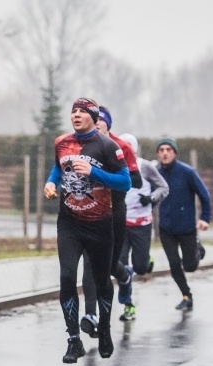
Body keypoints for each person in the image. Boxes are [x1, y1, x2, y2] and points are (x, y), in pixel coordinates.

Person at [43, 97, 130, 363]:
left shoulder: (108, 146)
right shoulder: (62, 143)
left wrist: (94, 173)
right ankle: (73, 340)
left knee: (102, 282)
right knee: (67, 278)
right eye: (73, 111)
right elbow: (58, 169)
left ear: (93, 116)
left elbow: (125, 182)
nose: (76, 115)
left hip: (100, 224)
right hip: (69, 223)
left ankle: (104, 329)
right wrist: (50, 183)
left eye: (82, 111)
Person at [78, 106, 142, 335]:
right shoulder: (78, 146)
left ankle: (124, 275)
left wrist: (101, 175)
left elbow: (135, 180)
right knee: (89, 261)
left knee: (107, 265)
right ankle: (90, 315)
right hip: (87, 210)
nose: (94, 127)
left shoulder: (121, 147)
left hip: (114, 211)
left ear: (107, 126)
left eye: (98, 124)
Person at [116, 132, 169, 321]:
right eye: (123, 146)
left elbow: (163, 187)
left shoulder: (144, 166)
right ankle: (128, 305)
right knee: (121, 267)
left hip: (142, 224)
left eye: (129, 146)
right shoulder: (113, 166)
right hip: (120, 225)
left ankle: (146, 261)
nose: (126, 149)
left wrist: (150, 199)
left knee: (140, 267)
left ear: (135, 149)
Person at [155, 137, 212, 311]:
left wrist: (205, 218)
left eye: (168, 150)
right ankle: (186, 295)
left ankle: (197, 248)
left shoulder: (187, 172)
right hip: (166, 228)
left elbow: (205, 196)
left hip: (187, 228)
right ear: (158, 153)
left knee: (190, 266)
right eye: (162, 150)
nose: (165, 153)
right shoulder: (155, 173)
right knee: (173, 263)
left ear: (175, 153)